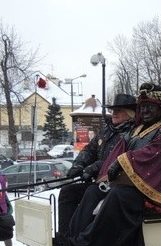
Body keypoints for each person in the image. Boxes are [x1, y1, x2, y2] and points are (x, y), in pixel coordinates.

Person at [54, 82, 161, 246]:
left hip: (156, 190)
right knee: (93, 191)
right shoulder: (139, 128)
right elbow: (117, 151)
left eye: (149, 107)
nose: (144, 111)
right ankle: (73, 241)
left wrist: (121, 161)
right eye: (141, 107)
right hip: (131, 184)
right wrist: (103, 172)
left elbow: (155, 155)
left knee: (118, 196)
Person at [59, 94, 137, 233]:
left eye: (119, 110)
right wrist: (79, 165)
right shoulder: (106, 131)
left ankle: (78, 236)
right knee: (67, 192)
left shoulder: (134, 133)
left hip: (119, 185)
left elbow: (122, 160)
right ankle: (65, 235)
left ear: (131, 113)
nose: (114, 113)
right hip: (100, 183)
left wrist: (95, 167)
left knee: (91, 193)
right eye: (113, 110)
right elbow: (89, 150)